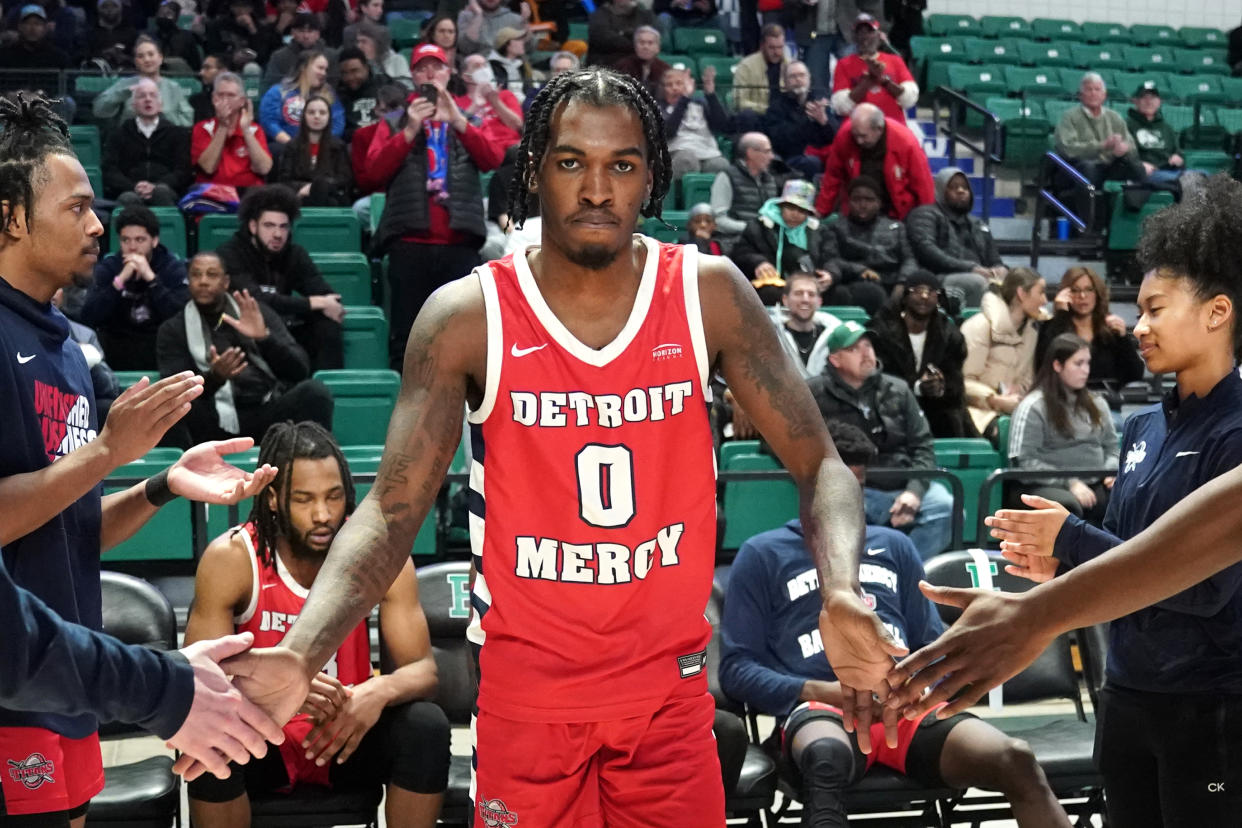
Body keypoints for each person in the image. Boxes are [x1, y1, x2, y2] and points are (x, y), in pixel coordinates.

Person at [208, 67, 905, 823]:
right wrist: (303, 649)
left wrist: (840, 587)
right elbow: (390, 511)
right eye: (572, 162)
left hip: (668, 700)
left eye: (623, 165)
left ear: (652, 177)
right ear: (536, 170)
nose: (597, 190)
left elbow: (823, 464)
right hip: (528, 702)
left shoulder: (708, 293)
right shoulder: (468, 315)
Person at [898, 175, 1242, 826]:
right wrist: (1059, 567)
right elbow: (1124, 566)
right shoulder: (1141, 428)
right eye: (1137, 308)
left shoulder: (1236, 430)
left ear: (1217, 312)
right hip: (1128, 694)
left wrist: (1071, 546)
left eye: (1157, 308)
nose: (1138, 326)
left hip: (1212, 703)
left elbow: (1202, 588)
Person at [0, 91, 287, 817]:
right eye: (76, 208)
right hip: (13, 680)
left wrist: (161, 486)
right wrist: (105, 452)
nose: (98, 225)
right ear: (9, 217)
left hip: (69, 675)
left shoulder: (68, 345)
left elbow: (71, 523)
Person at [719, 423, 1069, 828]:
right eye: (834, 489)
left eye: (855, 486)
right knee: (824, 763)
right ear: (804, 487)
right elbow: (737, 670)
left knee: (1015, 759)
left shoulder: (895, 545)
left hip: (905, 705)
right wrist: (822, 691)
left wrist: (916, 683)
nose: (846, 500)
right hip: (821, 708)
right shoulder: (762, 554)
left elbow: (930, 640)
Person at [185, 421, 451, 828]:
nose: (324, 514)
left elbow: (424, 671)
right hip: (261, 737)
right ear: (273, 499)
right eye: (304, 500)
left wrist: (376, 691)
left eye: (333, 496)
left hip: (345, 734)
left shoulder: (377, 555)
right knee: (206, 740)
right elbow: (197, 680)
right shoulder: (233, 558)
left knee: (425, 726)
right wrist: (275, 688)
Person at [367, 43, 502, 370]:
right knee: (408, 341)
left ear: (448, 72)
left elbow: (493, 159)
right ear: (413, 76)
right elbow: (372, 173)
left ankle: (465, 420)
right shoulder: (396, 120)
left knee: (463, 343)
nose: (430, 74)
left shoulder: (465, 117)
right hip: (410, 243)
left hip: (459, 243)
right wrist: (410, 130)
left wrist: (456, 120)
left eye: (436, 67)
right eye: (422, 68)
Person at [808, 321, 954, 559]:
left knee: (946, 507)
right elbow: (786, 441)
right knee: (841, 511)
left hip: (901, 481)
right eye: (855, 348)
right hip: (851, 488)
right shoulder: (813, 393)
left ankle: (903, 569)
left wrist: (914, 492)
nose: (866, 353)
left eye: (868, 345)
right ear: (835, 359)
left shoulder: (898, 389)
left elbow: (923, 445)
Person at [156, 251, 334, 445]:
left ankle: (316, 467)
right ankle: (185, 471)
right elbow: (175, 391)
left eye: (212, 274)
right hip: (212, 421)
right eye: (196, 275)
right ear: (188, 281)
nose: (203, 281)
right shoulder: (173, 329)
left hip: (267, 411)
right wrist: (214, 378)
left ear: (226, 282)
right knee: (173, 407)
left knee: (314, 392)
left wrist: (265, 339)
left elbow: (300, 369)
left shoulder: (255, 312)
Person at [216, 186, 345, 371]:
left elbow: (326, 294)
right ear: (253, 226)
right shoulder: (230, 253)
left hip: (286, 330)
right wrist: (312, 302)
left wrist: (327, 302)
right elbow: (255, 300)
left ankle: (329, 389)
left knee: (327, 326)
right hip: (248, 332)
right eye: (269, 226)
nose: (277, 234)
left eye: (283, 227)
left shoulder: (295, 254)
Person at [1007, 333, 1117, 524]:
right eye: (1078, 363)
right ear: (1058, 365)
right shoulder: (1033, 406)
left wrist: (1110, 471)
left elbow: (1112, 447)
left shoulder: (1097, 403)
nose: (1086, 371)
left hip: (1095, 480)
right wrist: (1070, 482)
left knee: (1127, 496)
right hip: (1044, 484)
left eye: (1088, 363)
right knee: (1068, 506)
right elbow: (1024, 461)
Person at [79, 206, 189, 371]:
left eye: (140, 240)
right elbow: (89, 316)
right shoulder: (110, 267)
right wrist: (119, 281)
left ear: (154, 240)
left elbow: (182, 315)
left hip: (159, 345)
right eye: (126, 240)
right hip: (117, 345)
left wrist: (152, 280)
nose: (132, 247)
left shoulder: (171, 267)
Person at [867, 270, 975, 438]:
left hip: (937, 411)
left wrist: (940, 387)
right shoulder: (881, 332)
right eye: (918, 291)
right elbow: (878, 381)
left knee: (952, 421)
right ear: (904, 297)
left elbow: (956, 385)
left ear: (938, 299)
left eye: (931, 292)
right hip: (891, 411)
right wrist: (917, 387)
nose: (924, 296)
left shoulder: (949, 336)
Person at [1035, 265, 1144, 409]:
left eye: (1089, 289)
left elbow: (1135, 373)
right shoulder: (1052, 327)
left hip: (1105, 407)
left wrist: (1123, 339)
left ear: (1097, 293)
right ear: (1065, 294)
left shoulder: (1110, 330)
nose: (1082, 296)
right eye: (1075, 290)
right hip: (1063, 406)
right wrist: (1060, 317)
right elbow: (1042, 368)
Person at [959, 268, 1045, 440]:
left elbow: (1027, 379)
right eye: (1041, 293)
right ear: (1021, 294)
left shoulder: (1031, 334)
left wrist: (1019, 393)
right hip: (978, 411)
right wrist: (994, 399)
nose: (1045, 300)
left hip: (1016, 408)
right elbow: (962, 381)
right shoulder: (979, 327)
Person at [905, 166, 1006, 310]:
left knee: (1019, 283)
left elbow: (994, 258)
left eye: (965, 187)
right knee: (976, 282)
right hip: (938, 277)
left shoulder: (977, 223)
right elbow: (927, 252)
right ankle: (974, 329)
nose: (961, 191)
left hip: (977, 274)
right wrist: (971, 268)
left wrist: (999, 269)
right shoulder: (925, 214)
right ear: (940, 191)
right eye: (953, 187)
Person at [812, 102, 934, 221]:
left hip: (897, 210)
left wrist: (928, 219)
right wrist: (821, 211)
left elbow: (922, 184)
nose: (858, 141)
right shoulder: (845, 134)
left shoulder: (906, 142)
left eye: (863, 136)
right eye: (855, 135)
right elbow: (832, 177)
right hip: (857, 209)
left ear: (879, 129)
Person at [819, 174, 916, 314]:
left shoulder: (896, 227)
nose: (863, 205)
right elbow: (830, 260)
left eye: (869, 200)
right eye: (857, 200)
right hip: (853, 282)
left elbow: (910, 259)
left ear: (879, 202)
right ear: (849, 202)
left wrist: (902, 283)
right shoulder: (836, 227)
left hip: (892, 283)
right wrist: (859, 270)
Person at [730, 180, 832, 305]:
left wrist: (830, 274)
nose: (795, 214)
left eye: (801, 210)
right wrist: (759, 262)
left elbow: (832, 258)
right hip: (771, 285)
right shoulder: (759, 227)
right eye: (790, 207)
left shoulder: (819, 231)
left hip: (810, 285)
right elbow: (740, 253)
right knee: (770, 293)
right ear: (781, 206)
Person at [100, 78, 193, 209]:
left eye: (153, 95)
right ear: (133, 105)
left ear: (160, 104)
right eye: (141, 96)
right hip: (129, 190)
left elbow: (183, 171)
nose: (148, 99)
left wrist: (156, 186)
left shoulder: (177, 134)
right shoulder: (119, 133)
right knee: (128, 198)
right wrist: (133, 186)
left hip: (166, 190)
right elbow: (109, 170)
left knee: (161, 192)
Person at [1054, 72, 1143, 193]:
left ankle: (1135, 208)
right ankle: (1089, 211)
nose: (1093, 93)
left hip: (1110, 165)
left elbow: (1131, 144)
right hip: (1077, 167)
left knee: (1137, 168)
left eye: (1097, 89)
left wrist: (1124, 148)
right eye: (1089, 89)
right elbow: (1067, 149)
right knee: (1089, 169)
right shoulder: (1069, 117)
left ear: (1104, 95)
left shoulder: (1114, 117)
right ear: (1081, 95)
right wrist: (1103, 145)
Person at [91, 34, 195, 128]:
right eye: (141, 56)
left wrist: (163, 114)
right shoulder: (125, 84)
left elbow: (188, 121)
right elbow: (98, 110)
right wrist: (121, 95)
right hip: (131, 140)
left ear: (160, 58)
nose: (147, 60)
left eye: (151, 54)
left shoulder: (173, 87)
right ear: (136, 62)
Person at [191, 71, 274, 189]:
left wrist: (246, 130)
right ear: (214, 99)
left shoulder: (255, 130)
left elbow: (264, 168)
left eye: (230, 95)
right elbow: (208, 167)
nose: (225, 100)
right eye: (220, 95)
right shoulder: (203, 128)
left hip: (249, 193)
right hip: (212, 193)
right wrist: (222, 127)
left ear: (241, 101)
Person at [829, 13, 917, 123]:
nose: (865, 36)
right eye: (860, 32)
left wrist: (884, 81)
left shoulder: (895, 60)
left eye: (870, 31)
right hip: (859, 129)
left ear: (879, 35)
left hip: (892, 127)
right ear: (854, 37)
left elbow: (909, 99)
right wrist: (867, 82)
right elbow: (840, 106)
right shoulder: (844, 64)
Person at [273, 94, 354, 207]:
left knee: (331, 201)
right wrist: (305, 188)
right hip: (299, 196)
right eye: (311, 112)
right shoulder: (291, 146)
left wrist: (316, 187)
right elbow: (284, 180)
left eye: (322, 113)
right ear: (304, 116)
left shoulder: (338, 146)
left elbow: (344, 179)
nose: (317, 116)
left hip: (329, 195)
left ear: (329, 117)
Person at [763, 60, 838, 180]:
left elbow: (835, 136)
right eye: (793, 76)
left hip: (821, 155)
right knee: (811, 163)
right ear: (785, 82)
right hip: (791, 159)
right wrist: (808, 119)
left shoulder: (818, 102)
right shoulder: (776, 107)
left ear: (809, 78)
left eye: (802, 75)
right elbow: (781, 141)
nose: (798, 80)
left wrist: (823, 121)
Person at [657, 66, 731, 180]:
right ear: (663, 89)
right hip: (678, 152)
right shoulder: (660, 108)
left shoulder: (700, 104)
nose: (675, 88)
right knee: (687, 160)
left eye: (679, 83)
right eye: (669, 85)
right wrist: (684, 99)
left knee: (721, 165)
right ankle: (679, 197)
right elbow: (668, 132)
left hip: (707, 152)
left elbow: (722, 125)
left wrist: (710, 94)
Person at [261, 49, 346, 148]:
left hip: (321, 148)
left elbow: (338, 124)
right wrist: (291, 145)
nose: (324, 73)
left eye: (325, 70)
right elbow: (269, 122)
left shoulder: (329, 95)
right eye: (320, 68)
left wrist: (316, 145)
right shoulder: (278, 91)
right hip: (285, 148)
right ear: (303, 67)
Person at [710, 131, 784, 245]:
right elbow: (718, 221)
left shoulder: (770, 179)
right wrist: (752, 229)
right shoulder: (727, 176)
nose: (771, 157)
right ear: (750, 153)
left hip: (765, 242)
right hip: (735, 242)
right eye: (767, 151)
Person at [773, 270, 841, 378]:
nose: (805, 299)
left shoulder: (836, 335)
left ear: (819, 302)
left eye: (811, 294)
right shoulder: (770, 335)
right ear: (785, 300)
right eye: (798, 293)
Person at [1125, 81, 1187, 186]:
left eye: (1153, 98)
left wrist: (1178, 159)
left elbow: (1178, 152)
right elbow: (1125, 155)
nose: (1149, 102)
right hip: (1145, 173)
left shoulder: (1166, 128)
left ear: (1159, 102)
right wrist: (1139, 165)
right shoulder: (1127, 125)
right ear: (1136, 101)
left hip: (1169, 171)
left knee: (1204, 176)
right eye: (1144, 98)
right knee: (1188, 181)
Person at [262, 12, 339, 96]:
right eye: (301, 31)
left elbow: (334, 82)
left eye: (310, 31)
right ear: (293, 33)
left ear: (318, 34)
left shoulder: (331, 55)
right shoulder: (279, 56)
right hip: (287, 99)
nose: (306, 36)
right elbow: (271, 83)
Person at [459, 53, 524, 150]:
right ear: (466, 77)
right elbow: (458, 129)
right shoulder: (459, 102)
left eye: (485, 65)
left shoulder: (505, 95)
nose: (483, 69)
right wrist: (475, 105)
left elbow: (517, 126)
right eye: (477, 66)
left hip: (512, 148)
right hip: (480, 151)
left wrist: (496, 102)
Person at [734, 23, 788, 117]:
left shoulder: (790, 66)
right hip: (760, 115)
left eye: (780, 47)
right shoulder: (746, 66)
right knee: (747, 116)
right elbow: (740, 102)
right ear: (762, 46)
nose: (777, 52)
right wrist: (767, 109)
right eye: (771, 48)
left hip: (783, 118)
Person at [586, 0, 657, 68]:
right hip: (605, 64)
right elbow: (604, 39)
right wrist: (634, 40)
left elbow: (650, 37)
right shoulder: (599, 15)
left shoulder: (644, 15)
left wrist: (623, 33)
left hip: (637, 65)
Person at [336, 45, 384, 140]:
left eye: (354, 71)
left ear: (366, 68)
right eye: (344, 73)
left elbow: (399, 113)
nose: (350, 77)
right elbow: (338, 130)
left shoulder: (385, 84)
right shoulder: (338, 96)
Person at [0, 5, 69, 69]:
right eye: (27, 23)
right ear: (19, 27)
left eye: (37, 23)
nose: (32, 28)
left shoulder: (58, 58)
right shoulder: (4, 56)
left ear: (44, 28)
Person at [613, 25, 671, 97]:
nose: (645, 47)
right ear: (635, 46)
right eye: (641, 42)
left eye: (650, 43)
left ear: (658, 48)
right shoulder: (622, 66)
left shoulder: (665, 69)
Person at [355, 21, 414, 89]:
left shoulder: (397, 60)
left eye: (364, 41)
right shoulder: (362, 63)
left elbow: (408, 88)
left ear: (378, 43)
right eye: (358, 42)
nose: (359, 46)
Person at [456, 0, 525, 59]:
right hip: (477, 68)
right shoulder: (466, 16)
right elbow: (464, 48)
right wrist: (478, 15)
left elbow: (528, 47)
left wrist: (526, 21)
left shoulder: (515, 19)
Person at [487, 26, 537, 103]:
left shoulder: (523, 65)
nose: (522, 42)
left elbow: (533, 89)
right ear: (506, 44)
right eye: (518, 39)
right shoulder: (490, 66)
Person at [88, 0, 138, 69]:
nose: (109, 10)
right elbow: (82, 57)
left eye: (114, 6)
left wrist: (124, 58)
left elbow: (138, 57)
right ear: (99, 9)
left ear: (120, 8)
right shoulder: (90, 33)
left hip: (126, 73)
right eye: (105, 6)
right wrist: (104, 53)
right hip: (97, 73)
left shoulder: (131, 33)